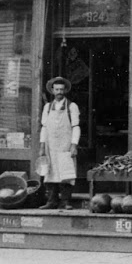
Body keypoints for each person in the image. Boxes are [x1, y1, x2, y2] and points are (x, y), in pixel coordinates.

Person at [38, 77, 80, 210]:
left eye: (61, 89)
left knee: (66, 173)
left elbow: (76, 127)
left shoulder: (72, 106)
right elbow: (44, 127)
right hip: (51, 146)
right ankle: (52, 201)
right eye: (57, 89)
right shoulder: (47, 107)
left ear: (65, 90)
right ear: (52, 91)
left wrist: (74, 145)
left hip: (65, 145)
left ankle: (65, 202)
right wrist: (42, 146)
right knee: (50, 173)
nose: (59, 92)